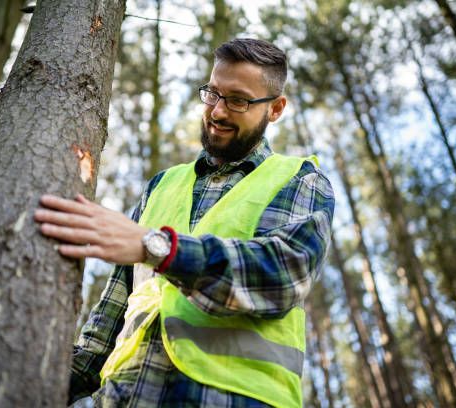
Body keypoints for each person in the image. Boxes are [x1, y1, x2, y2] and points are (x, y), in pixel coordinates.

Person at [34, 38, 334, 407]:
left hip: (232, 398)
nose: (217, 113)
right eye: (212, 94)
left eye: (238, 100)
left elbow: (281, 273)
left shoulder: (297, 178)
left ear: (275, 109)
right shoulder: (162, 185)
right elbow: (111, 318)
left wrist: (159, 248)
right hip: (122, 396)